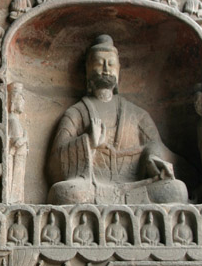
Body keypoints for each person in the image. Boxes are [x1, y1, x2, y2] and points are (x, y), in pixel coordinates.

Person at [47, 35, 188, 205]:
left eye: (111, 64)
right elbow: (54, 163)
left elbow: (156, 146)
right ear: (87, 70)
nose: (106, 69)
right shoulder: (77, 112)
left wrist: (154, 160)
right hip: (92, 188)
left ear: (118, 70)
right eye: (99, 63)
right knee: (62, 193)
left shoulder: (136, 114)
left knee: (176, 190)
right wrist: (87, 141)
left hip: (136, 187)